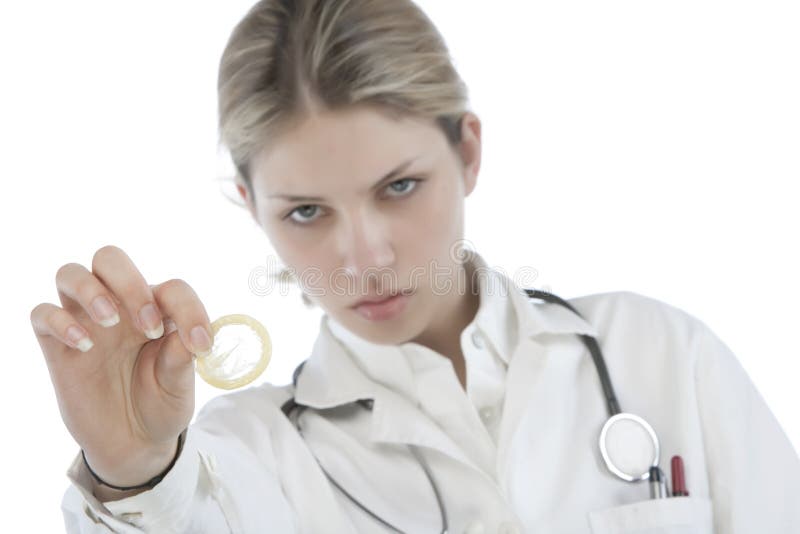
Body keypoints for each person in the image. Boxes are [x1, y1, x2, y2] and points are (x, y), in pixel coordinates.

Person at [30, 0, 799, 532]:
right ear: (249, 203)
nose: (365, 257)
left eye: (399, 187)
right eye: (306, 211)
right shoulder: (247, 457)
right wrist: (131, 470)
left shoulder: (659, 354)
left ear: (467, 151)